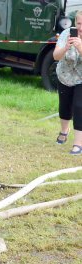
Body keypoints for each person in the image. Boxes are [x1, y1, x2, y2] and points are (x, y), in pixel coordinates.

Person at [53, 10, 82, 155]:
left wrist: (80, 48)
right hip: (64, 75)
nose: (81, 27)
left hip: (81, 78)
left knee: (79, 106)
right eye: (79, 23)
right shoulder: (66, 34)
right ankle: (64, 131)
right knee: (64, 106)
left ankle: (78, 143)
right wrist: (66, 47)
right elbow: (56, 56)